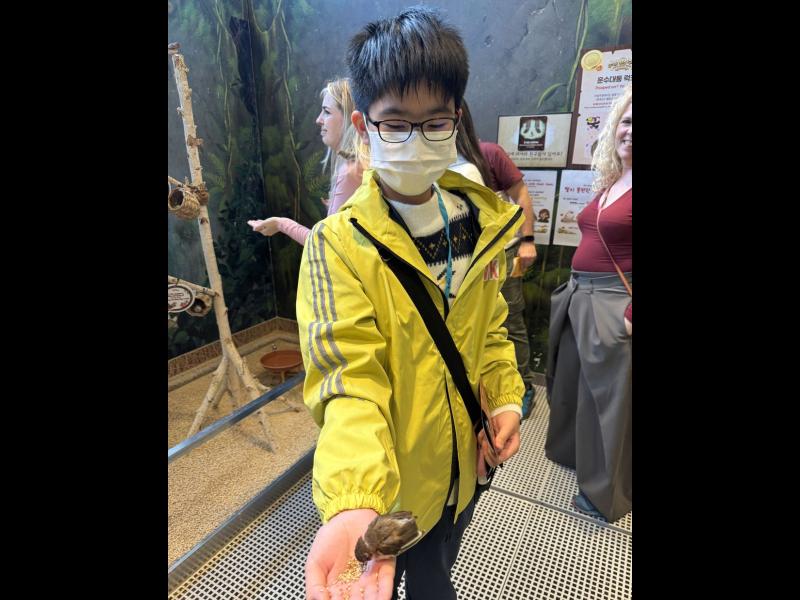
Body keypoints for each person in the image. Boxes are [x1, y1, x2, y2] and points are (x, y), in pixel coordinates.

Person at [297, 7, 525, 600]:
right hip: (391, 491)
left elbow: (490, 330)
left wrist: (505, 397)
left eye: (435, 122)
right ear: (364, 125)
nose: (417, 139)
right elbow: (349, 382)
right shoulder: (338, 245)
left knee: (438, 573)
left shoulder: (480, 222)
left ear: (456, 120)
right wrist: (355, 499)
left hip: (464, 470)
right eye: (396, 123)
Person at [544, 84, 632, 523]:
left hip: (614, 304)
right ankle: (574, 456)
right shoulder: (615, 180)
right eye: (628, 121)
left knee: (607, 403)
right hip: (581, 297)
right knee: (573, 386)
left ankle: (606, 495)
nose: (630, 131)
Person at [458, 100, 539, 419]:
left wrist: (528, 240)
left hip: (501, 253)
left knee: (509, 320)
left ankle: (525, 386)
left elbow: (521, 194)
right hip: (465, 259)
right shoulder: (435, 163)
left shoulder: (488, 153)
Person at [248, 78, 366, 245]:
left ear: (349, 117)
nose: (319, 119)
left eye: (326, 112)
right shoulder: (362, 165)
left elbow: (324, 245)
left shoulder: (350, 172)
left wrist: (281, 224)